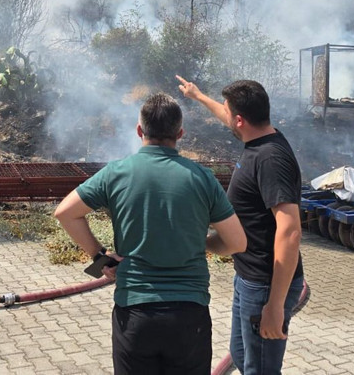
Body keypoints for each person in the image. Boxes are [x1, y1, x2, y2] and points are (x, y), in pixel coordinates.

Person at [54, 92, 247, 375]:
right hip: (188, 315)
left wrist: (100, 256)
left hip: (135, 313)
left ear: (139, 130)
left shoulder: (115, 173)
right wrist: (203, 243)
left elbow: (65, 213)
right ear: (180, 133)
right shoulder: (202, 177)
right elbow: (237, 242)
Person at [177, 76, 304, 375]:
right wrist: (198, 96)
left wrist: (274, 306)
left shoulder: (269, 158)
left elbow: (290, 232)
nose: (226, 118)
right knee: (241, 355)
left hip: (264, 285)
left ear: (240, 120)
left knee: (259, 369)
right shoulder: (259, 136)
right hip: (249, 278)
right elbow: (229, 116)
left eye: (227, 112)